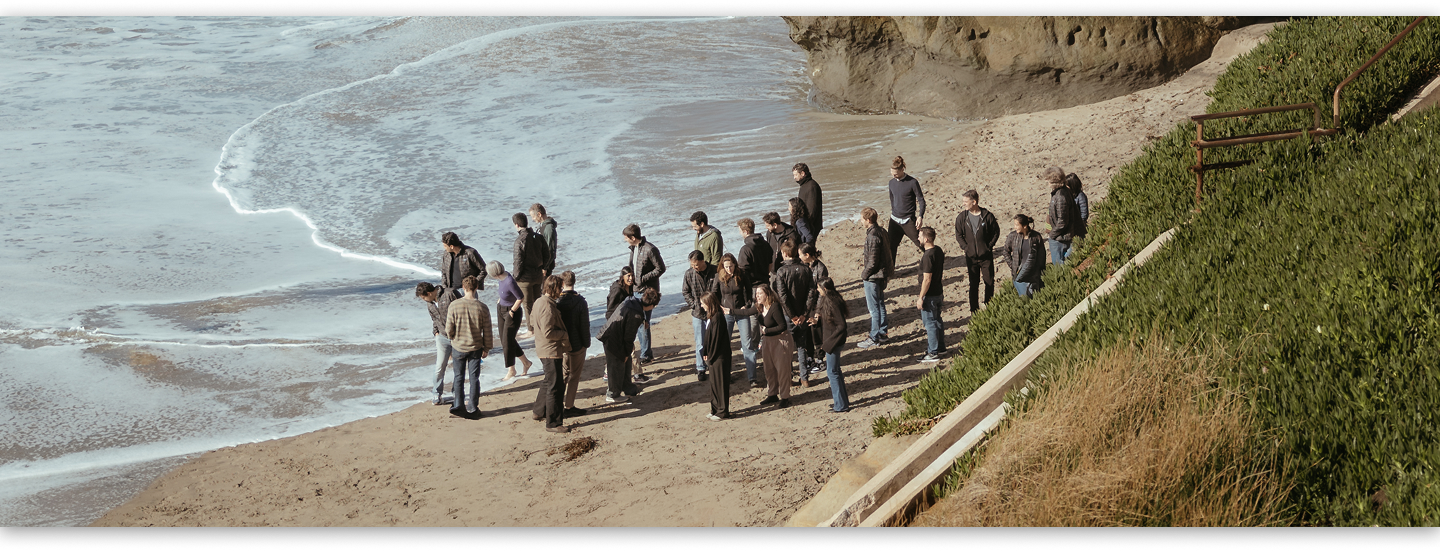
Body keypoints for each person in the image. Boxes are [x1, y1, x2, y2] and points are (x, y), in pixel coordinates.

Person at [597, 287, 658, 403]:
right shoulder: (636, 314)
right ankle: (612, 394)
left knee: (627, 363)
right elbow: (629, 337)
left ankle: (628, 388)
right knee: (616, 366)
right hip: (612, 339)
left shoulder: (633, 301)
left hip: (611, 334)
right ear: (651, 305)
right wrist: (626, 352)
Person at [444, 275, 493, 419]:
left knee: (458, 377)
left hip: (458, 346)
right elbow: (488, 330)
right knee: (474, 378)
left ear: (463, 288)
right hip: (475, 347)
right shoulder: (482, 307)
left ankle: (458, 404)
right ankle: (472, 406)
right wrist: (487, 348)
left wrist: (452, 338)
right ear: (476, 287)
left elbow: (448, 329)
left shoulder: (454, 305)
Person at [772, 239, 818, 388]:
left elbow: (782, 296)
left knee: (786, 347)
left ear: (784, 254)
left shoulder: (781, 271)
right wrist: (804, 313)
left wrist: (792, 316)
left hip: (789, 315)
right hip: (801, 313)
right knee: (801, 346)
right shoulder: (805, 269)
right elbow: (811, 292)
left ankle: (789, 376)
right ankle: (804, 377)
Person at [530, 275, 572, 433]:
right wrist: (563, 334)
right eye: (560, 288)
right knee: (556, 386)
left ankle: (538, 411)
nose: (561, 292)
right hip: (550, 350)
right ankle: (553, 423)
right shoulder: (548, 306)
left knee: (549, 381)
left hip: (542, 348)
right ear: (553, 288)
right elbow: (549, 332)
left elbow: (533, 322)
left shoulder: (538, 301)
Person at [953, 189, 1000, 316]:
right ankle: (974, 310)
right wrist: (965, 247)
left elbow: (996, 232)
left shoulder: (987, 215)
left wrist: (989, 246)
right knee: (973, 284)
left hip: (986, 256)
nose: (963, 204)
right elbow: (958, 234)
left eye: (965, 201)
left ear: (974, 202)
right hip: (971, 257)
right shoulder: (962, 217)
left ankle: (989, 306)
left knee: (989, 281)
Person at [716, 253, 759, 388]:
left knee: (747, 344)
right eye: (726, 267)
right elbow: (714, 294)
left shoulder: (741, 275)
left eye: (731, 266)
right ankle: (727, 375)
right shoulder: (719, 277)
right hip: (726, 314)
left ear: (735, 264)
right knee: (725, 345)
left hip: (741, 312)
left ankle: (752, 378)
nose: (729, 269)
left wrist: (746, 305)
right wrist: (720, 307)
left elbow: (749, 290)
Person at [624, 224, 665, 365]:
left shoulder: (650, 249)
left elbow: (661, 268)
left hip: (646, 292)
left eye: (626, 238)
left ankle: (646, 355)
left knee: (643, 323)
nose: (625, 241)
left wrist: (642, 279)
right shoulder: (634, 248)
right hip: (635, 290)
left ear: (633, 237)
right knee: (638, 322)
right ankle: (646, 352)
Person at [417, 281, 461, 406]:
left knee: (458, 367)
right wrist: (435, 332)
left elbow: (464, 307)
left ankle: (456, 393)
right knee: (439, 367)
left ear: (430, 293)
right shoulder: (430, 304)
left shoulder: (450, 293)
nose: (424, 300)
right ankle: (437, 394)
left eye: (424, 297)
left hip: (458, 336)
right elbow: (434, 319)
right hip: (442, 337)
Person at [489, 260, 534, 381]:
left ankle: (511, 370)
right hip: (501, 309)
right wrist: (500, 300)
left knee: (507, 342)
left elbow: (521, 297)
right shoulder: (502, 278)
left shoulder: (509, 281)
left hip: (511, 312)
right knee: (506, 341)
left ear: (495, 274)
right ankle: (526, 362)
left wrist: (512, 311)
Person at [604, 266, 649, 384]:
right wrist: (614, 325)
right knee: (630, 350)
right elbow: (610, 310)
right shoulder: (617, 290)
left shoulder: (629, 288)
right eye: (628, 276)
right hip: (617, 325)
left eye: (632, 275)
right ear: (622, 276)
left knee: (618, 351)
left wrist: (643, 319)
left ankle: (607, 372)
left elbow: (632, 304)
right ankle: (638, 374)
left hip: (622, 324)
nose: (631, 278)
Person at [857, 207, 894, 349]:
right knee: (880, 304)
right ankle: (883, 333)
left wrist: (864, 275)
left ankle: (874, 336)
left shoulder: (872, 236)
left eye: (862, 219)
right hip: (882, 274)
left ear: (868, 220)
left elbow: (872, 261)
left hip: (874, 277)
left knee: (874, 308)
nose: (860, 222)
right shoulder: (882, 231)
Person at [811, 277, 850, 413]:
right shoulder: (831, 300)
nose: (817, 290)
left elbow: (841, 325)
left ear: (825, 289)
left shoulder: (832, 302)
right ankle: (842, 402)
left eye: (819, 288)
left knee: (832, 373)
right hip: (833, 341)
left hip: (833, 342)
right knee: (836, 372)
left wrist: (828, 342)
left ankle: (840, 405)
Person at [555, 271, 590, 417]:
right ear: (574, 282)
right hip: (577, 344)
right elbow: (584, 325)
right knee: (574, 376)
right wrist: (586, 343)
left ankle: (556, 405)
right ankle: (569, 406)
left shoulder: (557, 302)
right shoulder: (580, 301)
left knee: (563, 375)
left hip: (562, 344)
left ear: (562, 283)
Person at [735, 217, 771, 362]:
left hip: (754, 286)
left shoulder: (745, 249)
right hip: (766, 283)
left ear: (745, 231)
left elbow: (742, 272)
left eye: (740, 231)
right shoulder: (765, 244)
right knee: (766, 311)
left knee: (754, 315)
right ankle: (764, 339)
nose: (740, 233)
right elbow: (770, 264)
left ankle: (755, 343)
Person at [755, 284, 794, 408]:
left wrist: (767, 331)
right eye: (756, 294)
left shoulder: (775, 306)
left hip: (780, 341)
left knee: (782, 370)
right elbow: (745, 311)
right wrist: (730, 311)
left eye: (760, 294)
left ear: (767, 294)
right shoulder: (759, 307)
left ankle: (785, 396)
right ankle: (772, 394)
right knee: (769, 369)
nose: (757, 296)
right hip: (767, 342)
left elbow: (782, 326)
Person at [512, 212, 552, 334]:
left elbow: (518, 262)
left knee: (528, 305)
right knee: (537, 302)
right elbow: (547, 255)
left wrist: (515, 278)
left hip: (525, 279)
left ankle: (532, 329)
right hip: (538, 275)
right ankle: (540, 325)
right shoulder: (538, 237)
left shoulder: (519, 240)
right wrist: (543, 267)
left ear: (517, 225)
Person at [682, 250, 719, 381]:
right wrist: (694, 305)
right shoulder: (689, 274)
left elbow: (717, 290)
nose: (694, 267)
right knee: (700, 342)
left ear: (703, 261)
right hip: (697, 313)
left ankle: (713, 364)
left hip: (713, 312)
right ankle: (701, 368)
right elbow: (685, 291)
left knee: (714, 340)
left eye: (696, 265)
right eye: (692, 265)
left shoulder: (715, 271)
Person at [886, 155, 927, 267]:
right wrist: (894, 212)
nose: (893, 175)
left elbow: (921, 200)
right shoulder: (891, 183)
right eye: (891, 173)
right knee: (891, 246)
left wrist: (920, 216)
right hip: (894, 220)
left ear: (902, 169)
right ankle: (891, 270)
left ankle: (934, 259)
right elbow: (892, 200)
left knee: (920, 243)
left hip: (909, 220)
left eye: (895, 173)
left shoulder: (912, 182)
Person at [699, 292, 732, 421]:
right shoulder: (711, 316)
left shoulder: (718, 316)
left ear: (709, 303)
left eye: (703, 303)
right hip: (713, 356)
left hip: (720, 356)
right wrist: (706, 353)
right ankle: (715, 409)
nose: (702, 306)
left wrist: (710, 356)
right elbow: (708, 338)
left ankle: (723, 411)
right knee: (714, 384)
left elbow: (716, 340)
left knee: (721, 384)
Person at [916, 226, 946, 362]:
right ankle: (941, 348)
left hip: (930, 295)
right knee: (937, 321)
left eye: (920, 236)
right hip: (938, 291)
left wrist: (921, 297)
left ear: (926, 239)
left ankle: (933, 352)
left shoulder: (928, 256)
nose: (918, 238)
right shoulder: (938, 250)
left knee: (930, 323)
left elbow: (927, 279)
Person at [798, 243, 828, 377]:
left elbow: (822, 292)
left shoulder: (821, 268)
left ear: (807, 255)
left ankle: (820, 359)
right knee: (807, 332)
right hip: (806, 304)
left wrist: (818, 312)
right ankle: (810, 357)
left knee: (817, 332)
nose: (798, 257)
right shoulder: (804, 266)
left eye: (800, 254)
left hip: (816, 304)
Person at [1001, 214, 1047, 298]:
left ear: (1025, 226)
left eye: (1017, 225)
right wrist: (1012, 265)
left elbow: (1041, 256)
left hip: (1033, 275)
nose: (1015, 227)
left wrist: (1041, 270)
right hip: (1019, 275)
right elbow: (1005, 252)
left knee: (1035, 298)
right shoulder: (1012, 236)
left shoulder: (1036, 236)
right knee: (1024, 298)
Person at [1043, 167, 1081, 265]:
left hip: (1060, 238)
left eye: (1049, 181)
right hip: (1062, 235)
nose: (1047, 183)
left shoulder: (1060, 197)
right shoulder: (1062, 192)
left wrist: (1052, 235)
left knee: (1059, 265)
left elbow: (1062, 221)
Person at [440, 232, 485, 297]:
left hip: (467, 291)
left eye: (445, 246)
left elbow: (483, 270)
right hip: (451, 291)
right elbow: (444, 272)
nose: (444, 248)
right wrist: (445, 288)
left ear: (451, 246)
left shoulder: (470, 253)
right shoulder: (446, 254)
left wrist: (473, 284)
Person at [762, 212, 799, 279]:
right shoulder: (769, 233)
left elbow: (796, 253)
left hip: (788, 270)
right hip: (774, 271)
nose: (766, 228)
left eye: (768, 226)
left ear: (775, 225)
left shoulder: (792, 234)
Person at [792, 162, 823, 236]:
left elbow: (812, 210)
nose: (794, 177)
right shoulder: (804, 185)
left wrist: (805, 226)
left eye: (796, 175)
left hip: (810, 227)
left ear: (802, 173)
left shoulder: (812, 186)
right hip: (804, 226)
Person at [530, 203, 559, 278]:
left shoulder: (549, 228)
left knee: (544, 288)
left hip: (545, 266)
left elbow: (550, 249)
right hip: (542, 264)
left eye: (533, 216)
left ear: (539, 214)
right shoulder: (543, 226)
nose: (532, 219)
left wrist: (545, 267)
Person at [1065, 172, 1089, 250]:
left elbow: (1084, 214)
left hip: (1078, 228)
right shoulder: (1070, 196)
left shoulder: (1081, 197)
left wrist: (1078, 224)